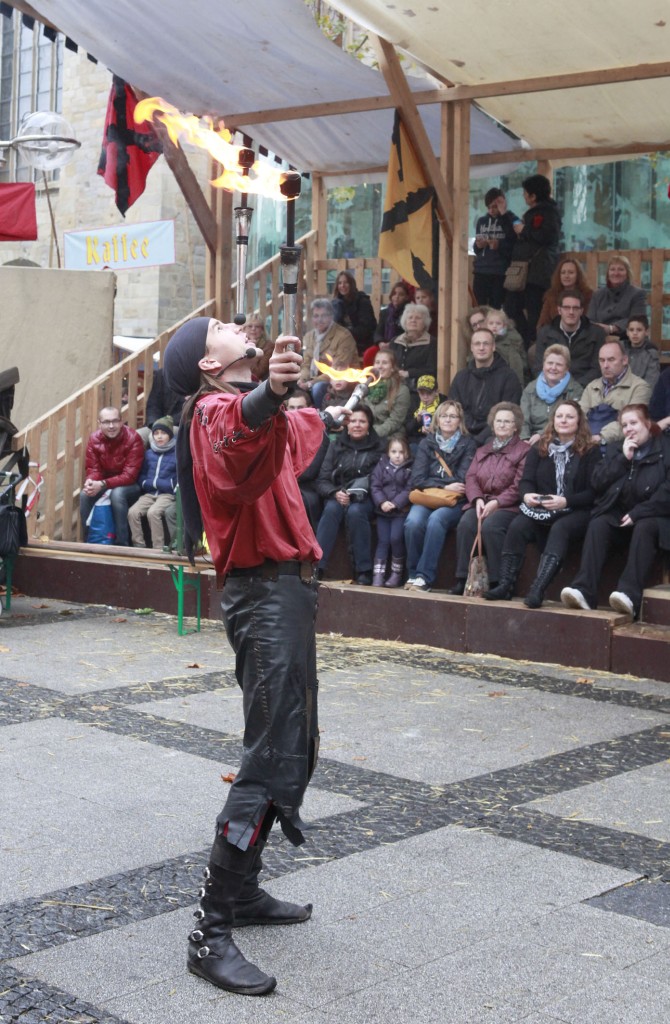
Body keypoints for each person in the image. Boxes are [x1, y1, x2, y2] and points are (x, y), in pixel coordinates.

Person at [162, 316, 348, 996]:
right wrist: (268, 394)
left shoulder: (250, 413)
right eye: (220, 326)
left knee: (294, 748)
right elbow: (238, 436)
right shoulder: (211, 414)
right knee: (269, 756)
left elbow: (294, 435)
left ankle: (243, 892)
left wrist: (292, 388)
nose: (235, 324)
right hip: (264, 595)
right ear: (208, 365)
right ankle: (209, 931)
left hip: (287, 594)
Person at [484, 400, 598, 608]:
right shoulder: (539, 447)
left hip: (576, 510)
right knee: (518, 525)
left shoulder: (590, 450)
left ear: (579, 421)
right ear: (553, 420)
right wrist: (527, 495)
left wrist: (566, 501)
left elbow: (593, 492)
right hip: (543, 509)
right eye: (559, 416)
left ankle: (538, 589)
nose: (563, 420)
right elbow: (526, 481)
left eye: (570, 417)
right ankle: (505, 584)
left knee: (560, 528)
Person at [561, 404, 670, 619]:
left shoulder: (665, 449)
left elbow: (667, 491)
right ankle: (584, 591)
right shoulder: (616, 449)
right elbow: (597, 482)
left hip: (655, 516)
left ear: (648, 424)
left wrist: (639, 512)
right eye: (624, 425)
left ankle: (629, 596)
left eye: (633, 423)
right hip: (621, 515)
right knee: (599, 523)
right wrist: (623, 459)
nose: (629, 429)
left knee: (645, 526)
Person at [450, 403, 529, 595]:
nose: (502, 425)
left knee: (491, 526)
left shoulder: (524, 450)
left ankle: (499, 582)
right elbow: (471, 477)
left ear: (516, 426)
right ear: (492, 425)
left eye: (507, 421)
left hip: (508, 506)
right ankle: (464, 579)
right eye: (498, 421)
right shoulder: (483, 450)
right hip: (481, 502)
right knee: (466, 524)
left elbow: (519, 485)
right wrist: (477, 499)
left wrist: (497, 502)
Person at [404, 400, 476, 592]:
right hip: (428, 496)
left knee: (436, 520)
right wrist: (444, 485)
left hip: (454, 501)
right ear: (437, 419)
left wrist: (443, 485)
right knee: (413, 522)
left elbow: (461, 481)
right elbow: (417, 478)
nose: (448, 420)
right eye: (444, 416)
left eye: (453, 416)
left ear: (460, 420)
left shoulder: (468, 444)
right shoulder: (427, 443)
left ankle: (424, 577)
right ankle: (412, 574)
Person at [315, 403, 383, 584]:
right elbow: (322, 480)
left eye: (362, 421)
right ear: (346, 424)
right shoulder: (335, 445)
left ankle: (364, 570)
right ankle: (317, 566)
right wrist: (335, 493)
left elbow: (381, 480)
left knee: (356, 512)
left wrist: (357, 493)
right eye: (353, 421)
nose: (357, 425)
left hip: (366, 497)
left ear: (369, 425)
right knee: (331, 510)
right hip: (338, 494)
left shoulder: (379, 447)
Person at [504, 173, 562, 346]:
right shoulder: (540, 212)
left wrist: (524, 230)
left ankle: (534, 344)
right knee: (512, 306)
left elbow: (547, 236)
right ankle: (527, 341)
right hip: (527, 271)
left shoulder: (547, 213)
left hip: (537, 272)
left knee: (533, 310)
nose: (523, 196)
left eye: (525, 193)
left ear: (533, 196)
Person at [80, 406, 144, 547]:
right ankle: (88, 541)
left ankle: (122, 544)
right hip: (106, 482)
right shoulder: (94, 439)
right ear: (99, 423)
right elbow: (94, 469)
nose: (111, 426)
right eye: (106, 422)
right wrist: (90, 481)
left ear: (121, 422)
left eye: (115, 421)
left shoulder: (133, 438)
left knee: (117, 494)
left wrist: (102, 484)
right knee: (85, 495)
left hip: (131, 485)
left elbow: (130, 476)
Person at [449, 327, 522, 445]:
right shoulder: (461, 377)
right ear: (471, 348)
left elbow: (508, 413)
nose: (481, 348)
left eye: (486, 344)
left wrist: (477, 441)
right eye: (477, 344)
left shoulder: (509, 377)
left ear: (493, 347)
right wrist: (466, 437)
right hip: (463, 435)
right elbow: (453, 409)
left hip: (494, 436)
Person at [579, 339, 651, 442]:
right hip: (587, 442)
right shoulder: (591, 387)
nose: (605, 365)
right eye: (602, 360)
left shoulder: (640, 388)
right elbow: (579, 416)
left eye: (611, 359)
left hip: (620, 445)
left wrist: (601, 437)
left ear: (624, 360)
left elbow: (633, 422)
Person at [533, 289, 605, 387]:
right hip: (552, 385)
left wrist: (575, 387)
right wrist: (554, 385)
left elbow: (597, 368)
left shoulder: (597, 333)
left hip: (586, 387)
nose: (571, 312)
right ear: (559, 310)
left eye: (575, 308)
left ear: (581, 311)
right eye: (566, 308)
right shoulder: (545, 333)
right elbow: (538, 367)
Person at [127, 415, 178, 548]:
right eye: (156, 433)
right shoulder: (149, 454)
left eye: (163, 433)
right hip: (149, 494)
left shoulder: (177, 453)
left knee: (153, 513)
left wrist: (169, 485)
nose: (159, 437)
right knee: (133, 512)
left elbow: (179, 477)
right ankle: (139, 545)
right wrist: (145, 483)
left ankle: (157, 548)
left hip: (167, 495)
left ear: (170, 435)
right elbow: (142, 474)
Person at [299, 297, 359, 408]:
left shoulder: (343, 336)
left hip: (341, 381)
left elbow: (337, 370)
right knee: (293, 386)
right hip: (314, 380)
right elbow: (306, 364)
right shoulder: (309, 336)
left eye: (324, 315)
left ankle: (322, 417)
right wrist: (302, 380)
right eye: (316, 316)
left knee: (318, 388)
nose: (320, 320)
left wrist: (311, 383)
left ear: (331, 316)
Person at [370, 434, 413, 587]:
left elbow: (409, 489)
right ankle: (378, 574)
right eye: (394, 452)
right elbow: (375, 486)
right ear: (388, 452)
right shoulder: (381, 465)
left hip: (400, 511)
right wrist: (382, 502)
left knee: (396, 538)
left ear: (407, 453)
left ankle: (396, 573)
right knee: (383, 540)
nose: (397, 455)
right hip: (383, 511)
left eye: (401, 452)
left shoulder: (410, 468)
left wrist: (395, 503)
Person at [284, 392, 330, 531]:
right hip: (286, 484)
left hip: (308, 486)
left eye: (300, 407)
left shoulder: (319, 433)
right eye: (292, 408)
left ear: (310, 409)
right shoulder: (282, 431)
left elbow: (310, 471)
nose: (296, 412)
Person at [521, 344, 583, 445]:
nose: (553, 368)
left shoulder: (575, 390)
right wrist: (524, 439)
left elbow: (572, 422)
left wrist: (542, 434)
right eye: (550, 363)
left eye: (559, 364)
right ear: (543, 365)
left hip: (562, 439)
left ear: (567, 368)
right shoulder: (530, 389)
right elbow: (523, 419)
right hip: (531, 440)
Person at [472, 188, 519, 308]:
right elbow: (477, 249)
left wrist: (499, 245)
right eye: (489, 207)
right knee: (478, 307)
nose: (491, 210)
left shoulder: (511, 219)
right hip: (481, 270)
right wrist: (478, 245)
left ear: (503, 203)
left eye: (495, 206)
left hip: (500, 271)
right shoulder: (482, 221)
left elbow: (514, 243)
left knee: (496, 309)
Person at [587, 255, 647, 339]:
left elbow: (638, 320)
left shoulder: (637, 294)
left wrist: (612, 328)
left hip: (628, 340)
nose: (616, 273)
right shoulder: (597, 294)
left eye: (621, 269)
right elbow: (590, 320)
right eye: (612, 269)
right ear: (608, 273)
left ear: (627, 273)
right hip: (600, 339)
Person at [536, 257, 594, 330]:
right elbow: (542, 324)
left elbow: (590, 322)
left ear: (578, 275)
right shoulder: (551, 295)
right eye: (563, 273)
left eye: (571, 272)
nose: (566, 276)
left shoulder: (588, 295)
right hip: (555, 334)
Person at [365, 350, 412, 438]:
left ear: (393, 368)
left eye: (384, 363)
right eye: (377, 362)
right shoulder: (366, 387)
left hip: (391, 436)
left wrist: (371, 435)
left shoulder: (402, 390)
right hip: (366, 433)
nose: (380, 366)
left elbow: (395, 421)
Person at [390, 302, 437, 389]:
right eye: (410, 317)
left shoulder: (432, 343)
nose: (413, 320)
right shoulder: (395, 341)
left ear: (425, 323)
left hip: (419, 388)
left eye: (418, 318)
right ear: (405, 321)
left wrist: (409, 373)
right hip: (394, 384)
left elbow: (432, 370)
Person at [332, 270, 377, 356]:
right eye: (340, 283)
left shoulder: (362, 301)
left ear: (351, 284)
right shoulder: (336, 303)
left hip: (362, 343)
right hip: (342, 342)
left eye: (346, 283)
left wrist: (344, 333)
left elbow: (366, 328)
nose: (342, 286)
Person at [484, 307, 527, 387]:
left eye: (498, 323)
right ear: (486, 325)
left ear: (504, 326)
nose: (494, 326)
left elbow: (519, 365)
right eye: (491, 323)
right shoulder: (482, 340)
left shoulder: (513, 340)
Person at [405, 373, 447, 452]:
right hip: (417, 440)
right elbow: (407, 429)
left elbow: (449, 425)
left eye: (429, 393)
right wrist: (417, 421)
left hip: (439, 440)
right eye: (422, 393)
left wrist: (434, 429)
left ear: (436, 392)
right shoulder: (414, 402)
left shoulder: (444, 403)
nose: (425, 397)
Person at [371, 280, 410, 351]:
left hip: (401, 346)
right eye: (394, 294)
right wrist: (380, 342)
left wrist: (392, 343)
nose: (396, 297)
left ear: (406, 297)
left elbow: (408, 334)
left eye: (401, 294)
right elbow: (378, 332)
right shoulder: (385, 312)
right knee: (368, 353)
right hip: (384, 344)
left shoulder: (409, 312)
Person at [623, 315, 660, 390]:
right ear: (627, 332)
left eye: (639, 330)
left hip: (640, 392)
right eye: (631, 330)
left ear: (646, 332)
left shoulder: (651, 354)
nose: (635, 333)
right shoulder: (621, 350)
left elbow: (651, 382)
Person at [244, 312, 273, 381]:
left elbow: (257, 373)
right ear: (244, 329)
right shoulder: (239, 344)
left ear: (262, 330)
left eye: (257, 326)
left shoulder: (269, 347)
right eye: (250, 326)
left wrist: (251, 347)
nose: (253, 329)